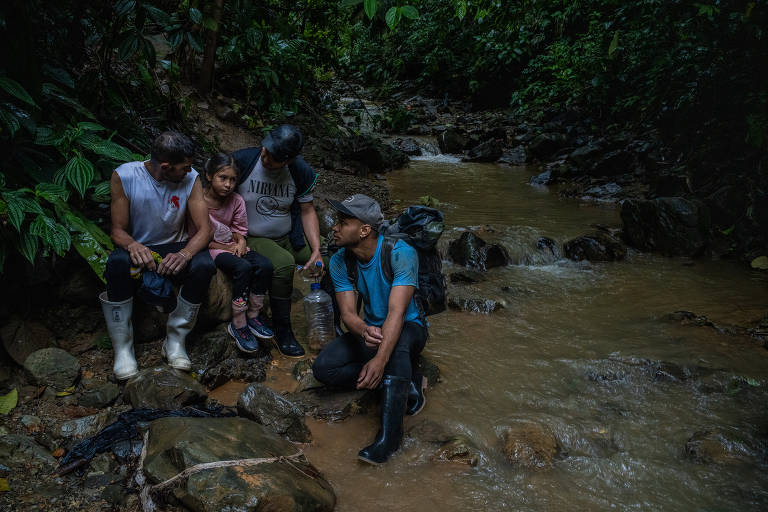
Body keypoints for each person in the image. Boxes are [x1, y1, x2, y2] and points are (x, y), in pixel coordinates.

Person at [312, 194, 429, 464]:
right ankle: (404, 382)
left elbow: (397, 313)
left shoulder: (401, 253)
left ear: (365, 230)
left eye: (343, 222)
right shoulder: (341, 260)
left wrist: (379, 360)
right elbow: (349, 315)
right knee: (324, 367)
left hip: (410, 326)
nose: (334, 227)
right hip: (373, 327)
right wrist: (363, 330)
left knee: (395, 345)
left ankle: (390, 437)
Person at [99, 131, 215, 380]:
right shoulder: (125, 175)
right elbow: (117, 231)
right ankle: (123, 349)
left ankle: (175, 340)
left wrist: (185, 254)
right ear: (166, 166)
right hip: (140, 247)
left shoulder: (191, 178)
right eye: (184, 167)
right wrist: (133, 246)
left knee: (204, 264)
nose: (189, 171)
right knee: (117, 264)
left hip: (175, 246)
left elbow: (205, 230)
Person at [233, 125, 324, 358]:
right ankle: (283, 330)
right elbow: (218, 197)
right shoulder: (243, 161)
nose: (265, 159)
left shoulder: (300, 170)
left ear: (289, 160)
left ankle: (334, 325)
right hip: (253, 236)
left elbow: (307, 210)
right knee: (283, 263)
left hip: (288, 235)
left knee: (329, 263)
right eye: (264, 151)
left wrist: (316, 250)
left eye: (272, 159)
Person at [199, 153, 274, 353]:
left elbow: (239, 229)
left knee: (265, 265)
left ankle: (254, 315)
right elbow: (198, 237)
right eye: (222, 178)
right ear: (209, 176)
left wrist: (241, 241)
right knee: (243, 267)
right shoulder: (198, 201)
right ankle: (238, 322)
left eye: (233, 180)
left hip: (233, 245)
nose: (228, 184)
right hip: (212, 249)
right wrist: (227, 248)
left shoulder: (236, 200)